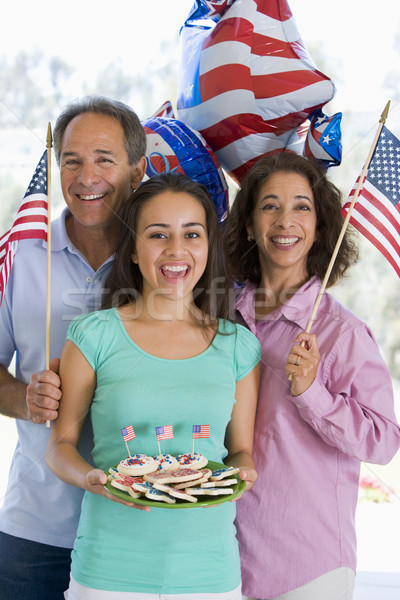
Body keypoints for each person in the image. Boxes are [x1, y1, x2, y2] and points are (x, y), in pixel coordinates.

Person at [45, 172, 260, 599]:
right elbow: (58, 449)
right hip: (108, 571)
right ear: (134, 251)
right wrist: (93, 478)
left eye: (192, 234)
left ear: (207, 246)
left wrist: (245, 473)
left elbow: (241, 451)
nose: (176, 250)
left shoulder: (239, 346)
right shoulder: (93, 335)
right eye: (158, 234)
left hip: (209, 574)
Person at [223, 152, 400, 600]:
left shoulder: (343, 333)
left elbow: (383, 441)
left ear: (320, 225)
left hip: (307, 570)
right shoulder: (223, 317)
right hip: (222, 561)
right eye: (269, 206)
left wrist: (313, 394)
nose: (286, 221)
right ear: (248, 224)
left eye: (302, 206)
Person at [0, 96, 147, 599]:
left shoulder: (167, 258)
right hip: (35, 527)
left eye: (105, 158)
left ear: (137, 169)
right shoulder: (18, 255)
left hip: (136, 523)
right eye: (72, 160)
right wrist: (24, 399)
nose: (87, 176)